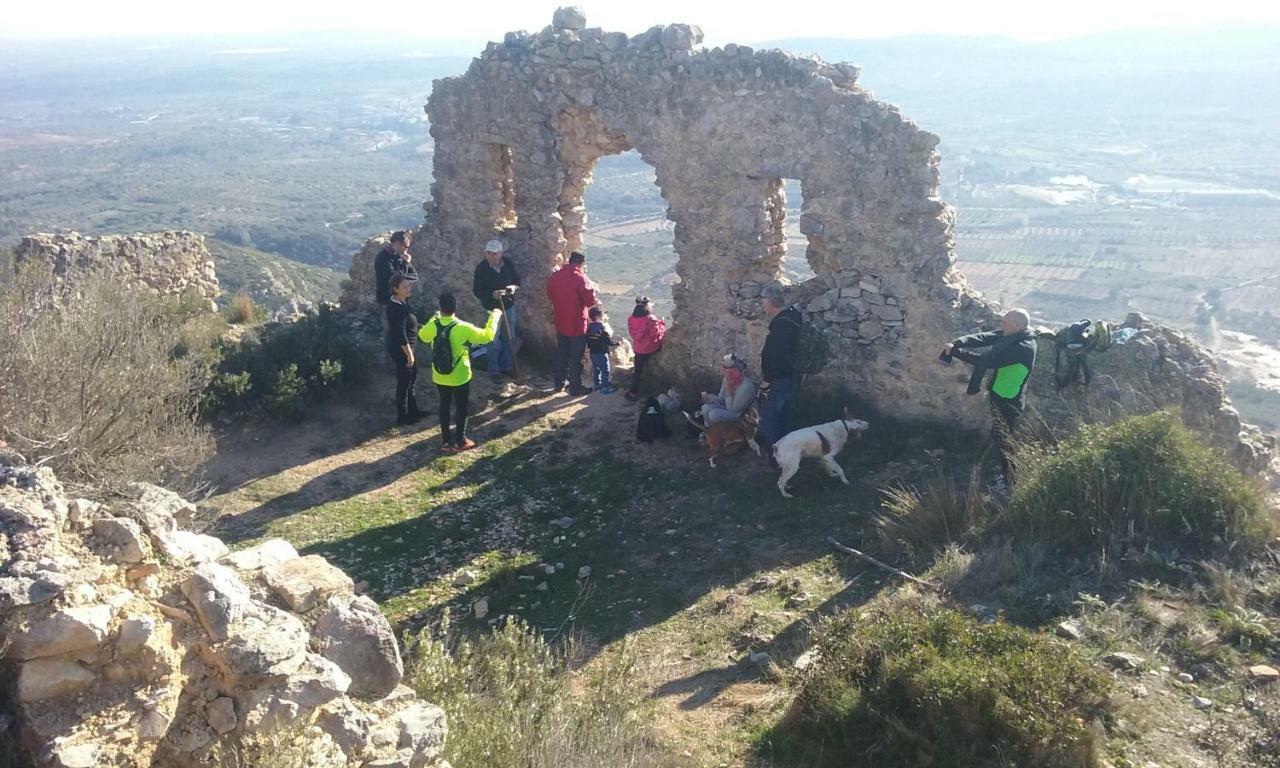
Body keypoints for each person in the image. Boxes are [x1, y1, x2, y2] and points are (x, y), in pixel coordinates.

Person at [942, 308, 1037, 487]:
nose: (1001, 326)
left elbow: (984, 361)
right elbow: (984, 337)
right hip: (1000, 395)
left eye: (1005, 323)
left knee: (1005, 442)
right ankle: (1004, 472)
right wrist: (957, 343)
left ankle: (1011, 482)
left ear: (1017, 326)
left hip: (1009, 401)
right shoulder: (1014, 335)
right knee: (1000, 435)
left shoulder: (1022, 348)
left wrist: (955, 352)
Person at [418, 291, 501, 452]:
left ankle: (445, 442)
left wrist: (433, 318)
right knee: (461, 407)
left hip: (440, 374)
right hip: (460, 375)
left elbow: (422, 336)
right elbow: (488, 336)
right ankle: (460, 441)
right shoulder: (462, 327)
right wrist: (495, 315)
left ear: (440, 308)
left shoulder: (433, 324)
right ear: (456, 308)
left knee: (444, 406)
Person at [757, 283, 802, 465]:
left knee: (771, 421)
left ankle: (777, 461)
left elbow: (776, 356)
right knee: (783, 418)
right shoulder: (791, 317)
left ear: (770, 302)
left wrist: (767, 380)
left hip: (778, 380)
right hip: (788, 376)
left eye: (764, 300)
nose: (762, 304)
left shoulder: (781, 326)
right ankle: (788, 457)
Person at [546, 251, 598, 396]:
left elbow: (550, 293)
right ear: (581, 264)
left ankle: (559, 384)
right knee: (575, 357)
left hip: (560, 321)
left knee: (561, 354)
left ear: (570, 261)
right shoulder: (580, 279)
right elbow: (590, 301)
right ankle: (575, 387)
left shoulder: (556, 276)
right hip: (577, 324)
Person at [471, 239, 521, 381]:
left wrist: (513, 288)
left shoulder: (508, 264)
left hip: (508, 306)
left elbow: (517, 280)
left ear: (500, 254)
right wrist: (491, 295)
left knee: (509, 337)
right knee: (493, 340)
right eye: (489, 253)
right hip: (491, 309)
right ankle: (494, 370)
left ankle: (507, 366)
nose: (491, 256)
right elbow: (477, 290)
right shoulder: (481, 268)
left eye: (494, 254)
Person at [385, 274, 430, 425]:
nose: (408, 288)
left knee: (411, 379)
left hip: (408, 349)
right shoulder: (395, 308)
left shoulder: (402, 302)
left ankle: (413, 410)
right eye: (404, 287)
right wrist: (409, 355)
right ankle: (402, 416)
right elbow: (400, 334)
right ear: (395, 289)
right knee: (404, 382)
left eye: (408, 285)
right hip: (402, 351)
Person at [689, 353, 758, 426]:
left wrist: (728, 390)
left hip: (741, 416)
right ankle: (709, 432)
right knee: (705, 408)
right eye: (724, 368)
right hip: (728, 409)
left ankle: (727, 433)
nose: (725, 371)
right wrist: (709, 399)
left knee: (714, 414)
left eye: (729, 368)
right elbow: (721, 400)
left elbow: (733, 410)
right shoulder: (727, 380)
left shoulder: (746, 387)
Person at [626, 296, 666, 401]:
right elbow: (655, 334)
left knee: (637, 371)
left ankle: (633, 393)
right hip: (651, 348)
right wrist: (661, 324)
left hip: (638, 349)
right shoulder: (651, 319)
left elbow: (632, 334)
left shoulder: (631, 319)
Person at [375, 231, 418, 306]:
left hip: (402, 299)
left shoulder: (400, 257)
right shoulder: (382, 259)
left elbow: (414, 276)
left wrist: (406, 264)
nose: (406, 250)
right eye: (406, 247)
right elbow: (394, 279)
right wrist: (406, 263)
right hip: (388, 301)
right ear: (397, 243)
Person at [585, 306, 620, 394]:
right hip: (601, 352)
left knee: (596, 368)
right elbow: (607, 341)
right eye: (602, 315)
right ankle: (605, 387)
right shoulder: (602, 328)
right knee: (605, 370)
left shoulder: (588, 328)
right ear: (598, 317)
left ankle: (597, 384)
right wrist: (616, 344)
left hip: (592, 352)